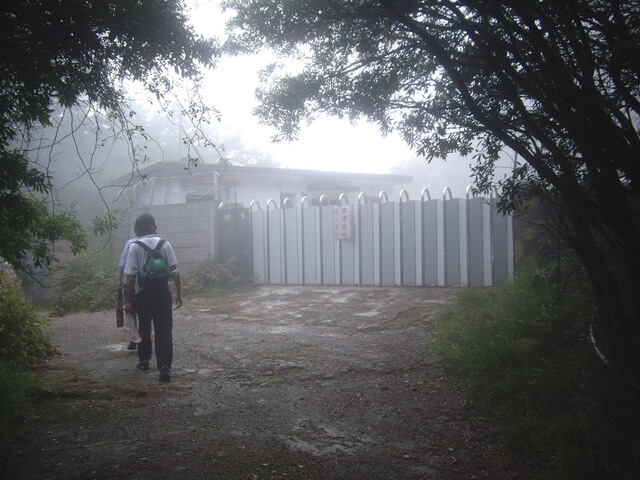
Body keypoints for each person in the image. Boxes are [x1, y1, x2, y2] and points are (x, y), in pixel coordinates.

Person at [123, 213, 182, 382]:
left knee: (144, 327)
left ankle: (144, 361)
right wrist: (179, 293)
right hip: (163, 293)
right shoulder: (165, 244)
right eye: (154, 223)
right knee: (164, 330)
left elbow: (130, 277)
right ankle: (164, 367)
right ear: (151, 225)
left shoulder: (134, 247)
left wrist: (128, 301)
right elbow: (175, 271)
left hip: (143, 294)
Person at [118, 236, 138, 350]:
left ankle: (133, 339)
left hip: (129, 282)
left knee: (131, 311)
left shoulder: (130, 242)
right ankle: (145, 338)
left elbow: (122, 263)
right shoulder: (155, 242)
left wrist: (120, 279)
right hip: (146, 283)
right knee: (145, 312)